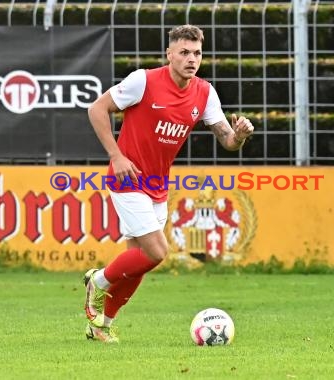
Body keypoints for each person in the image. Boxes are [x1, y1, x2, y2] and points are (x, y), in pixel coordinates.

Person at [84, 24, 254, 343]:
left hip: (158, 186)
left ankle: (101, 325)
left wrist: (240, 136)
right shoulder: (143, 81)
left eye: (197, 53)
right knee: (157, 251)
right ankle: (98, 281)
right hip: (128, 178)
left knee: (139, 262)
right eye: (185, 52)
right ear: (170, 54)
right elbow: (97, 108)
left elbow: (227, 140)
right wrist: (116, 156)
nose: (192, 59)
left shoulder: (204, 92)